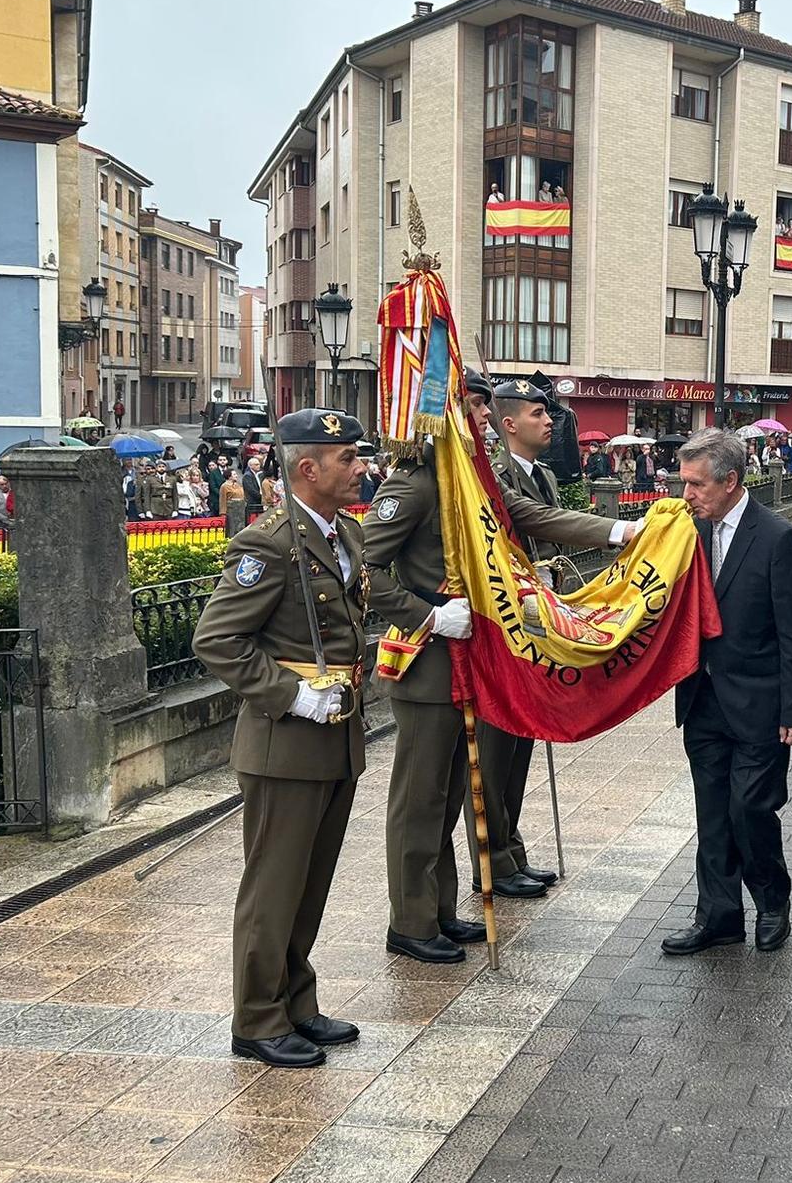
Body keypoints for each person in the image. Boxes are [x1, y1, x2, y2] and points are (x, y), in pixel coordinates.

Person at [363, 367, 640, 963]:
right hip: (429, 662)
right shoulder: (415, 485)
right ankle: (409, 921)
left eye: (488, 409)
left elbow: (534, 518)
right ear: (442, 414)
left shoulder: (473, 480)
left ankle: (438, 909)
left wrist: (621, 529)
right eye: (475, 409)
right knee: (420, 800)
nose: (486, 418)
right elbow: (362, 571)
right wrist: (429, 615)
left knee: (448, 792)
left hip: (475, 658)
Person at [191, 407, 371, 1069]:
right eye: (348, 458)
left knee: (310, 882)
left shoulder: (343, 533)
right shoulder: (271, 544)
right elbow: (216, 640)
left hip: (336, 735)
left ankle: (297, 1000)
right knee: (273, 886)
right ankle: (257, 1018)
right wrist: (292, 694)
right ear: (307, 468)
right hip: (285, 742)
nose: (359, 469)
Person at [663, 428, 792, 958]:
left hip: (759, 705)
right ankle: (719, 916)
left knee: (750, 809)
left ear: (729, 481)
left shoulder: (777, 539)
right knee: (711, 814)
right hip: (702, 701)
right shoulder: (689, 534)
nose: (687, 496)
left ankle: (773, 901)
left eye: (696, 486)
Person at [478, 376, 614, 896]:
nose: (549, 421)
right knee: (494, 752)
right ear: (509, 422)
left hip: (537, 624)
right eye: (538, 414)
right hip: (504, 630)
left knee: (522, 742)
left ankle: (512, 850)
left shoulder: (546, 477)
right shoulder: (494, 473)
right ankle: (492, 861)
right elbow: (529, 525)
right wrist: (617, 531)